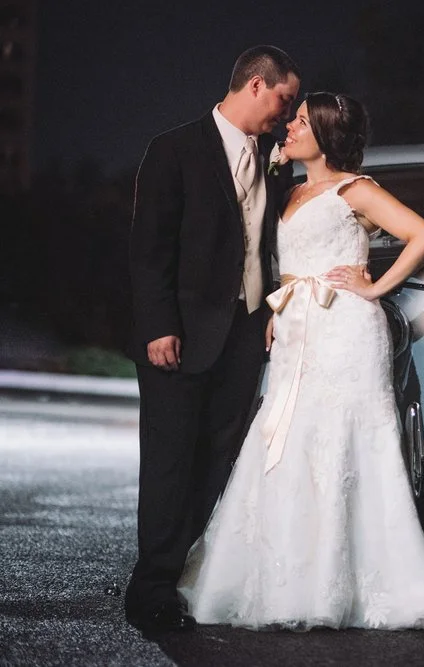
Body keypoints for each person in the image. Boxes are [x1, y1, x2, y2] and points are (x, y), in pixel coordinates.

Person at [176, 92, 424, 630]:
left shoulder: (357, 189)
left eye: (302, 121)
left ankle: (344, 582)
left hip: (346, 329)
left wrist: (374, 286)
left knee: (342, 441)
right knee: (285, 436)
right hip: (294, 329)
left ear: (327, 134)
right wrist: (273, 309)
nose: (289, 126)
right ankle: (283, 577)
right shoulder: (289, 191)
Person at [125, 45, 301, 634]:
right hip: (179, 335)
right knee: (171, 463)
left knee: (219, 462)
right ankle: (150, 589)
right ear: (256, 85)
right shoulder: (173, 150)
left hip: (246, 334)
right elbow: (149, 250)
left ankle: (184, 575)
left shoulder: (277, 161)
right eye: (284, 99)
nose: (288, 111)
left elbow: (273, 246)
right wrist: (158, 326)